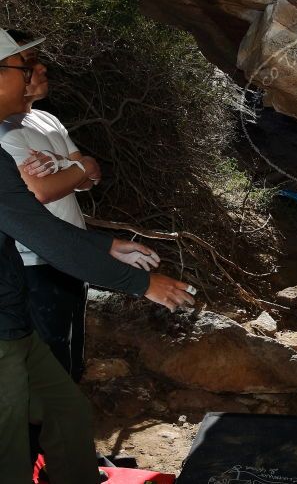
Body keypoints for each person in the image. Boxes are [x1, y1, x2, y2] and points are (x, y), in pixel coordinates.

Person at [0, 28, 195, 484]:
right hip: (2, 328)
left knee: (65, 408)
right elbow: (43, 234)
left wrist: (106, 244)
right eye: (20, 68)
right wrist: (142, 283)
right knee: (8, 451)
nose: (31, 75)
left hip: (12, 320)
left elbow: (39, 223)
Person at [0, 29, 111, 382]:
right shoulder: (5, 131)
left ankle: (64, 415)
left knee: (70, 345)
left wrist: (76, 170)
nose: (42, 69)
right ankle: (44, 429)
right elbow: (41, 192)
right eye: (28, 64)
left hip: (70, 250)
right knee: (47, 356)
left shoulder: (48, 120)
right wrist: (79, 169)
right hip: (36, 259)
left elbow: (91, 176)